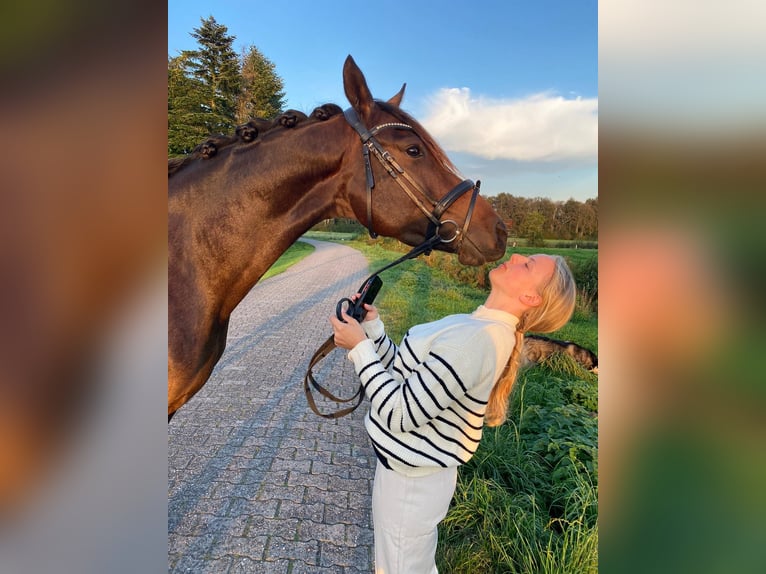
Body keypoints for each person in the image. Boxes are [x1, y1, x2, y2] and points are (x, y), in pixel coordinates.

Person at [329, 253, 577, 573]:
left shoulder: (476, 339)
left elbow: (399, 413)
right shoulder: (479, 327)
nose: (515, 255)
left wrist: (359, 348)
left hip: (409, 487)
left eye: (527, 264)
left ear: (531, 297)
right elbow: (408, 378)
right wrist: (372, 331)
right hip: (412, 477)